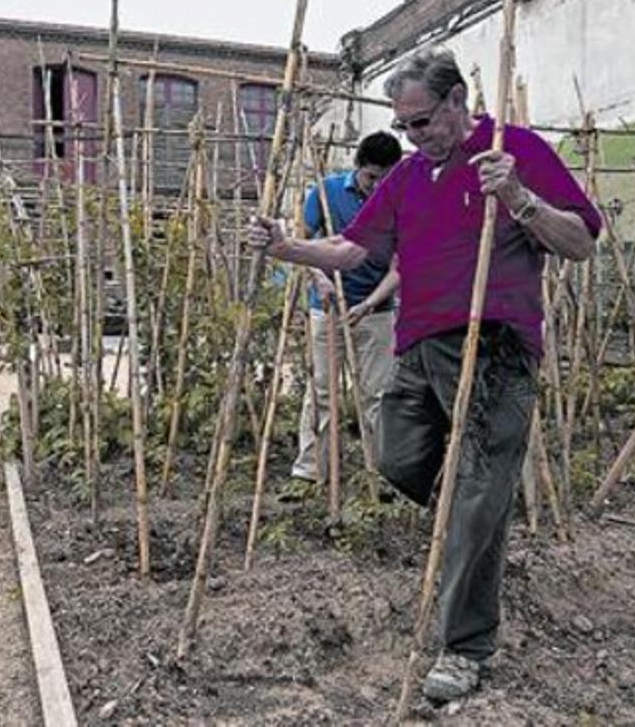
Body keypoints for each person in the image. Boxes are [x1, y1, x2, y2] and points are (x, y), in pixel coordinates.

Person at [247, 48, 601, 702]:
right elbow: (352, 247)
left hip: (494, 347)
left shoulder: (512, 149)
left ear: (458, 100)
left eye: (423, 121)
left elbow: (580, 239)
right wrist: (285, 246)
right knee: (396, 456)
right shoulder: (408, 178)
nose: (414, 135)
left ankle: (464, 646)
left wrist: (519, 198)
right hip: (421, 350)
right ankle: (478, 501)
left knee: (472, 502)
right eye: (405, 125)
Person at [285, 131, 401, 494]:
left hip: (377, 310)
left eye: (385, 179)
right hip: (328, 308)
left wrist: (369, 303)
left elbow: (402, 266)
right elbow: (300, 243)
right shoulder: (325, 192)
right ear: (358, 168)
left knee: (378, 394)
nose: (376, 186)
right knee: (321, 390)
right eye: (371, 177)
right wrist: (319, 278)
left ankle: (383, 476)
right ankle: (309, 473)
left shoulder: (400, 202)